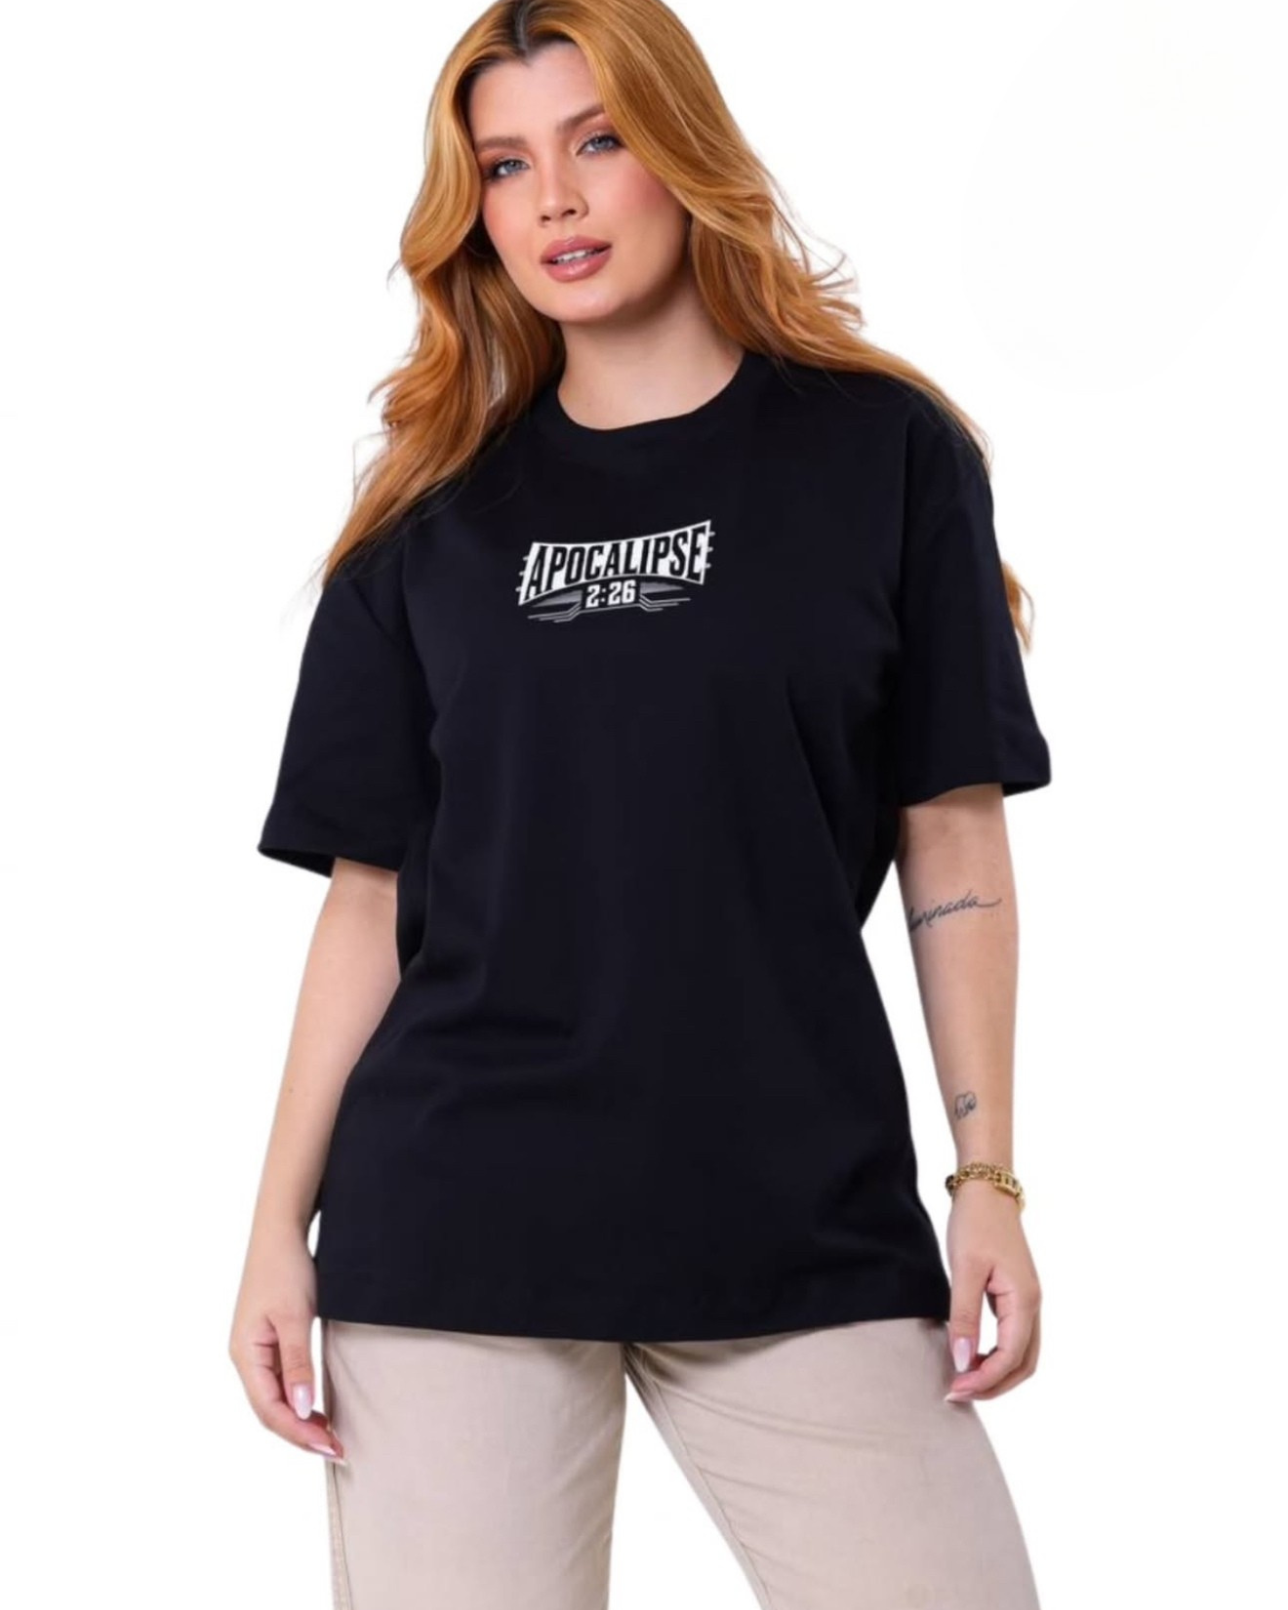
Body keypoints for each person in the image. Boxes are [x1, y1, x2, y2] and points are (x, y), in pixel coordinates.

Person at [229, 2, 1052, 1606]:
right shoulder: (430, 523)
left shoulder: (883, 456)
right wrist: (276, 1224)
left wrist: (989, 1180)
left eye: (598, 141)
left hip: (796, 1211)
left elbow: (955, 840)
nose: (555, 198)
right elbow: (371, 900)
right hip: (455, 1224)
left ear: (684, 150)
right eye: (504, 165)